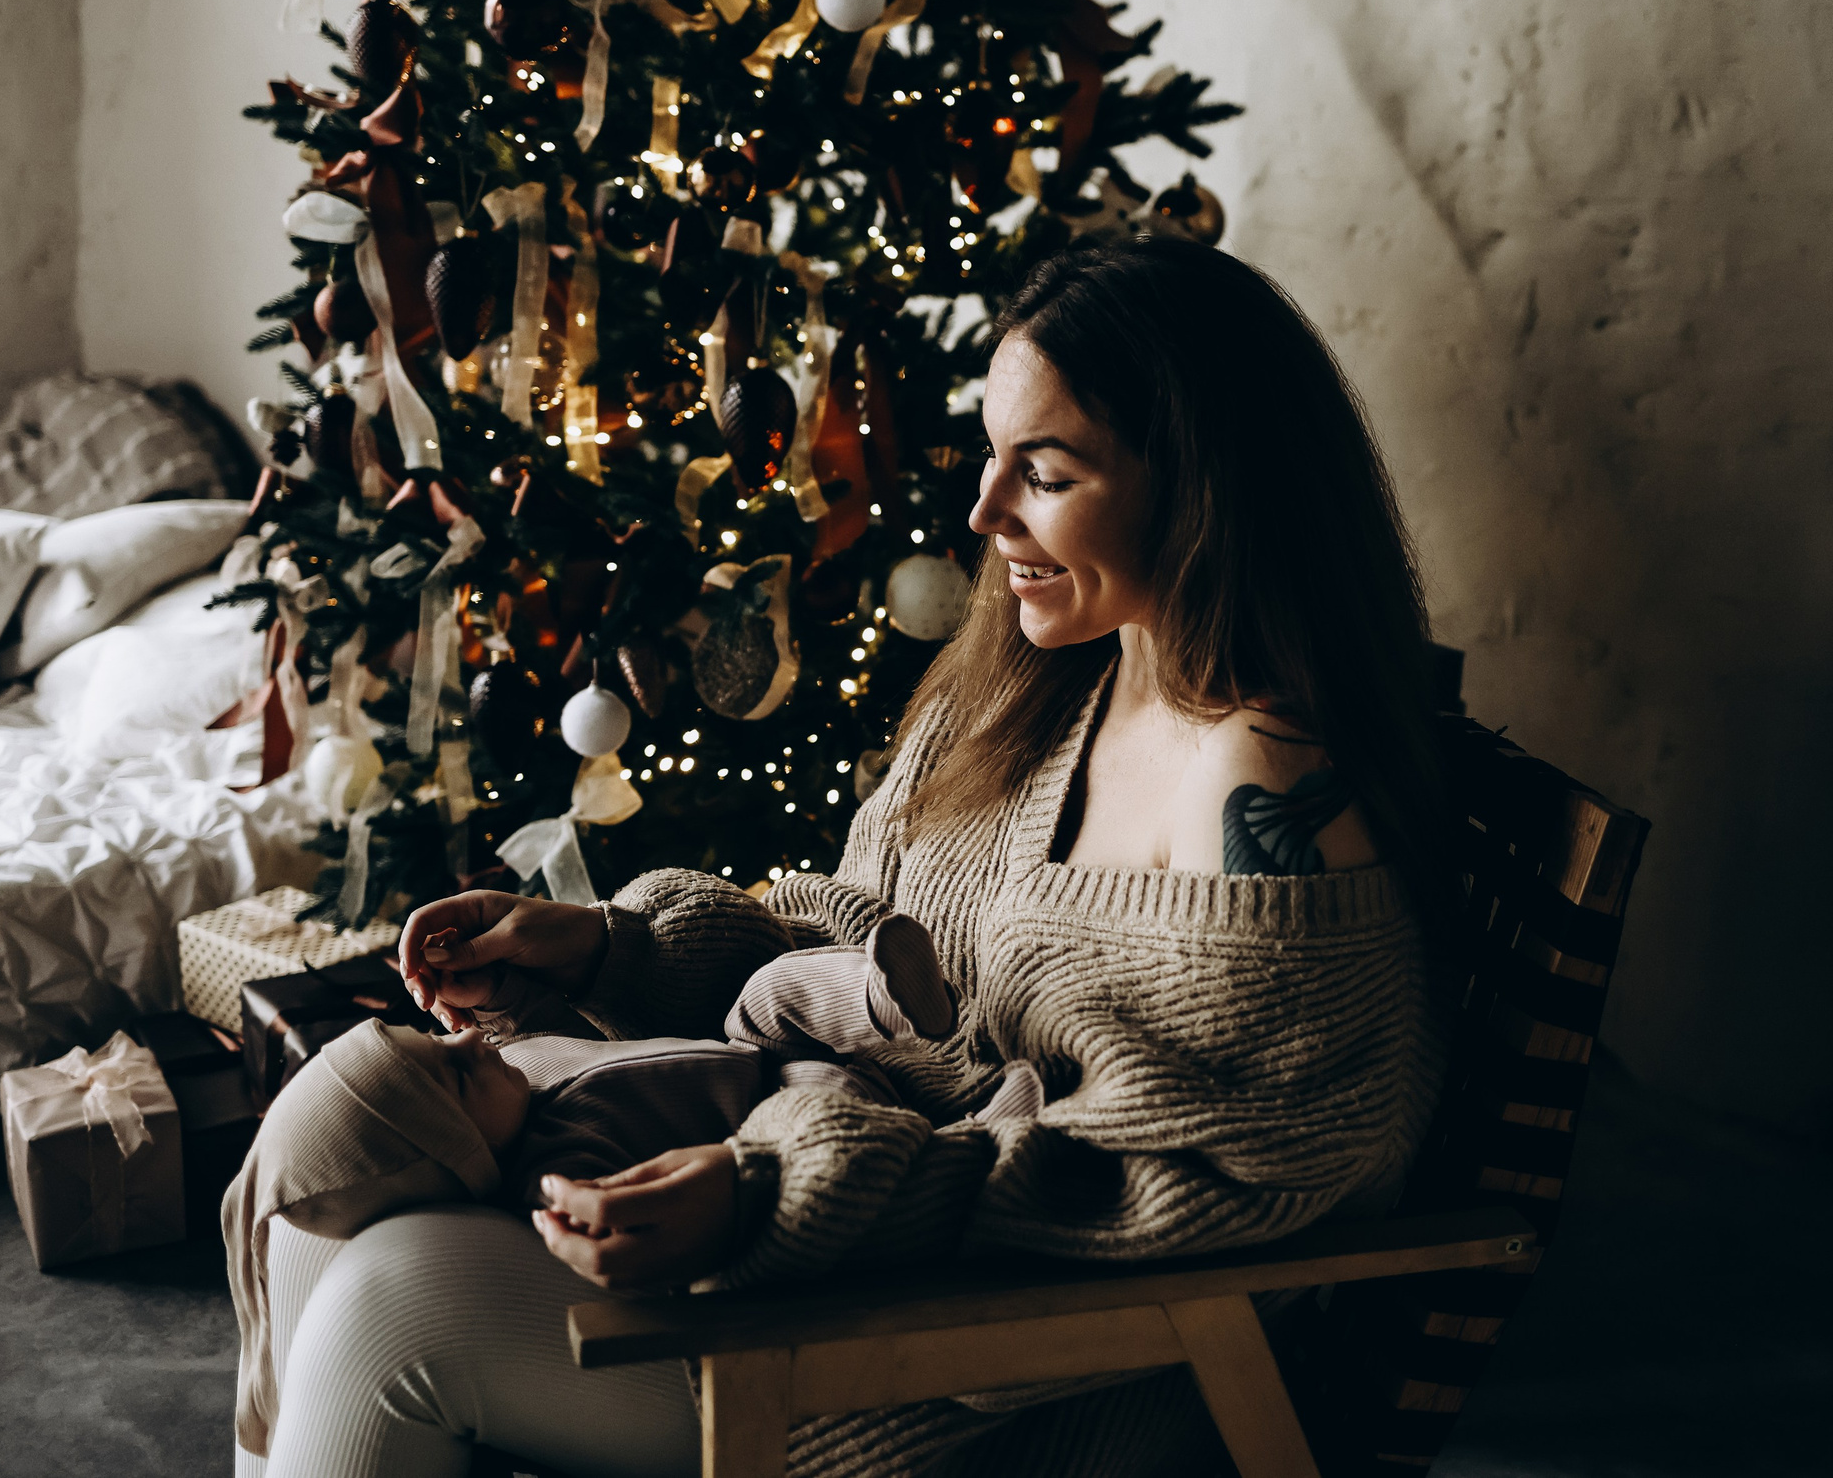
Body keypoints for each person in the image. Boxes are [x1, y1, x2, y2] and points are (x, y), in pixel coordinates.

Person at [250, 235, 1451, 1478]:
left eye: (1042, 473)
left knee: (393, 1301)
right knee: (319, 1211)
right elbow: (864, 951)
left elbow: (1196, 1187)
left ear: (1204, 488)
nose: (985, 517)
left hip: (984, 1367)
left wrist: (774, 1197)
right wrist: (618, 947)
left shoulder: (1262, 781)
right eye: (993, 458)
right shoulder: (1040, 681)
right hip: (850, 1233)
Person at [227, 915, 1011, 1463]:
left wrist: (500, 992)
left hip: (756, 1048)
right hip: (787, 1113)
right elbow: (608, 1219)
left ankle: (885, 997)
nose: (465, 1038)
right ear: (466, 1158)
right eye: (457, 1073)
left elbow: (547, 1026)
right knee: (304, 1216)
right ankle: (945, 1097)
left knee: (772, 990)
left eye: (438, 1037)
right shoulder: (555, 1162)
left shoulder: (507, 1068)